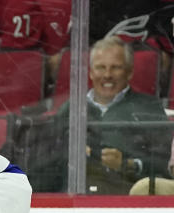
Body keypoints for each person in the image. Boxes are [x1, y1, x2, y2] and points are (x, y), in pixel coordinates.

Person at [41, 37, 169, 194]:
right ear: (91, 72)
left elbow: (166, 164)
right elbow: (44, 158)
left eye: (115, 67)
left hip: (125, 201)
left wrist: (128, 164)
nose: (107, 75)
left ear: (129, 72)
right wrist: (70, 155)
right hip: (72, 199)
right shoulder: (72, 107)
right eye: (101, 67)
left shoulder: (148, 108)